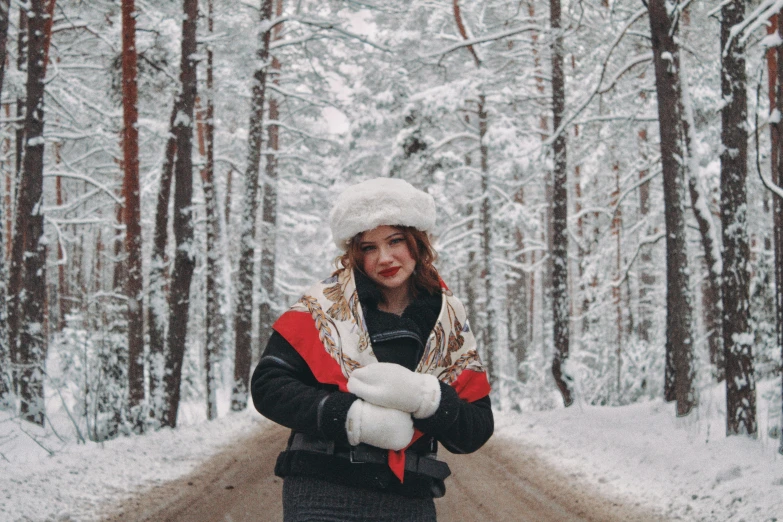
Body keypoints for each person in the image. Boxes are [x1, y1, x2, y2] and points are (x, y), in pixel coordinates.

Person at [251, 177, 494, 521]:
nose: (385, 258)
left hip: (410, 498)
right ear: (354, 253)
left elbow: (476, 427)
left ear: (417, 241)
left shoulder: (447, 320)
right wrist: (351, 419)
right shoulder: (324, 306)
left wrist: (429, 398)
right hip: (321, 493)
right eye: (368, 247)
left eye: (395, 241)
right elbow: (268, 387)